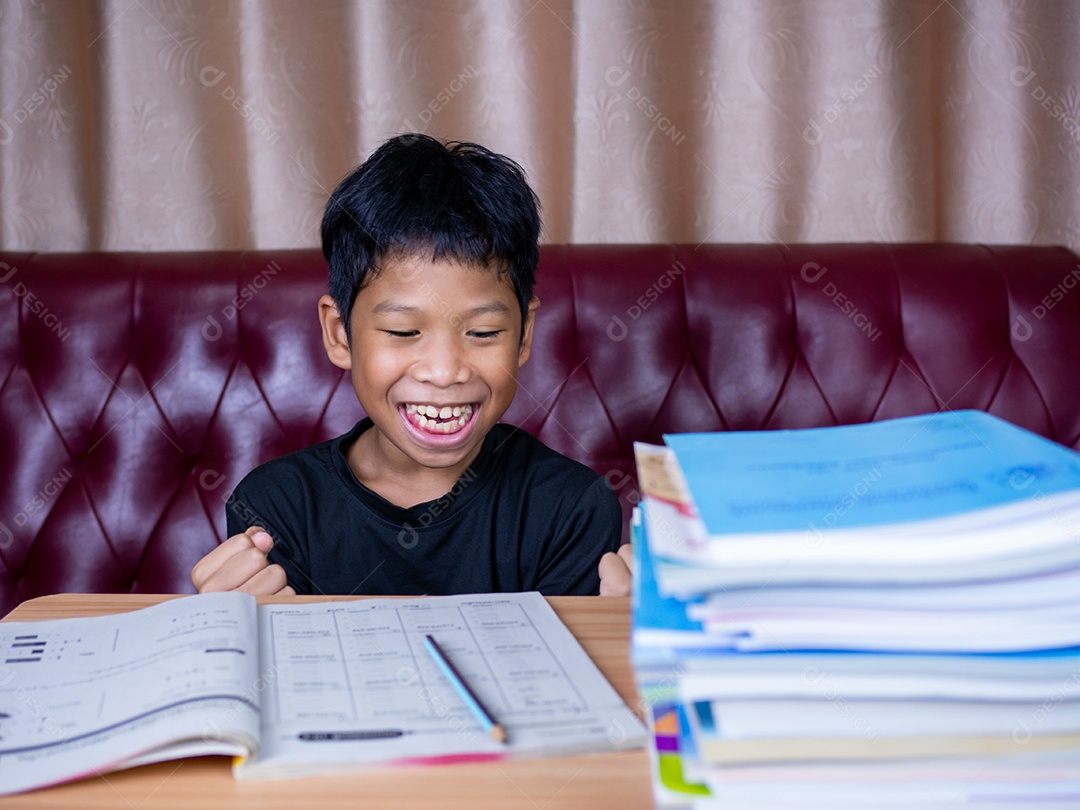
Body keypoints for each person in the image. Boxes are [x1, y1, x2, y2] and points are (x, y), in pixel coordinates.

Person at [191, 133, 634, 598]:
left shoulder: (572, 507)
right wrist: (228, 630)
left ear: (524, 335)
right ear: (341, 334)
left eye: (482, 333)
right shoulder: (278, 504)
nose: (444, 372)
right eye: (403, 332)